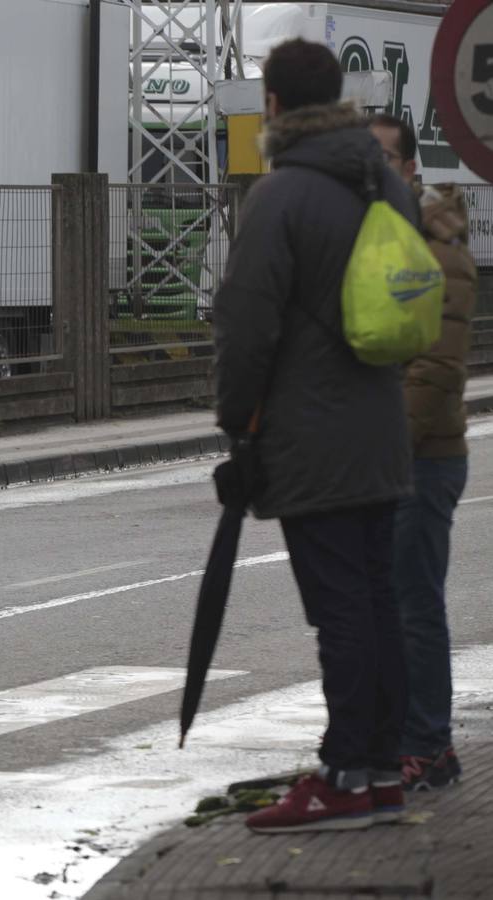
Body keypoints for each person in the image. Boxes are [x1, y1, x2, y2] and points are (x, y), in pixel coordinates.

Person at [215, 40, 419, 834]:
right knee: (375, 599)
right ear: (339, 95)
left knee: (338, 608)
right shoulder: (386, 186)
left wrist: (237, 421)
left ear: (272, 106)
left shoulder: (283, 195)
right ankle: (379, 772)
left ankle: (343, 776)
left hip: (312, 436)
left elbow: (245, 324)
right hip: (381, 426)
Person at [369, 112, 473, 793]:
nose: (372, 172)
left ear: (409, 168)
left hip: (422, 458)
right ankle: (401, 738)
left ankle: (429, 744)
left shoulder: (437, 248)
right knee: (388, 604)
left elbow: (435, 369)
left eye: (383, 158)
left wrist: (383, 449)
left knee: (413, 604)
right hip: (387, 456)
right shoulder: (381, 240)